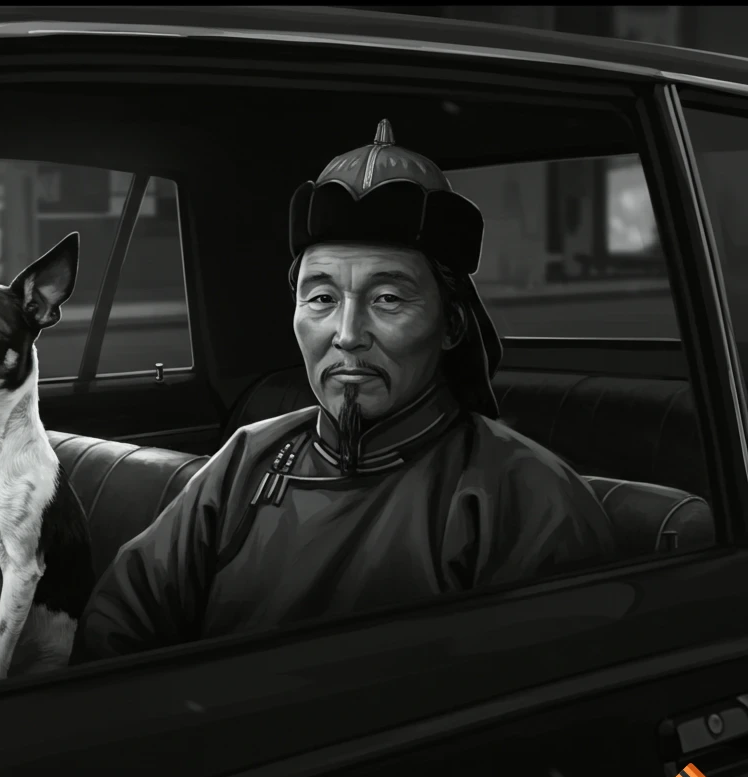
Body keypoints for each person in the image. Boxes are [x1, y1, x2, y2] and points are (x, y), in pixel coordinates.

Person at [71, 119, 616, 661]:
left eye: (387, 299)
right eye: (322, 299)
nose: (348, 335)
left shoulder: (525, 497)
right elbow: (120, 625)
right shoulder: (247, 459)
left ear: (451, 325)